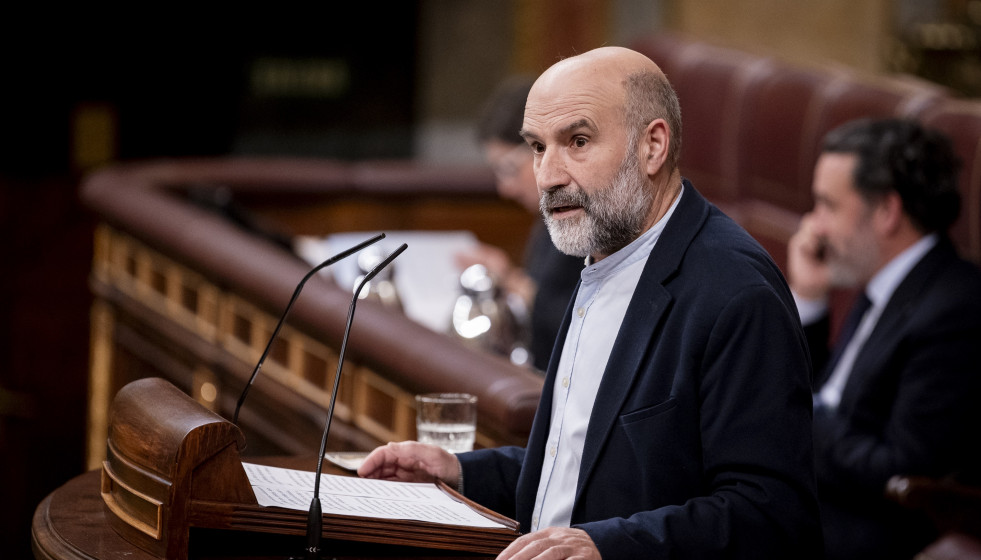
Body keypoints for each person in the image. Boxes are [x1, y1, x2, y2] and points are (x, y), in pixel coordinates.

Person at [359, 46, 822, 559]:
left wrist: (607, 547)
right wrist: (464, 472)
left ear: (652, 146)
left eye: (577, 142)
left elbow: (771, 517)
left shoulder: (736, 293)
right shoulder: (605, 253)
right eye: (538, 147)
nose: (547, 176)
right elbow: (588, 465)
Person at [787, 118, 981, 559]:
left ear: (887, 212)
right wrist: (810, 298)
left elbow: (901, 470)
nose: (814, 226)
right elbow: (833, 393)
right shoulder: (883, 278)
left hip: (856, 531)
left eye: (827, 206)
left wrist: (794, 413)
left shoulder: (955, 310)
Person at [456, 75, 583, 372]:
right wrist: (508, 277)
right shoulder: (549, 217)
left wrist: (511, 282)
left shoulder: (590, 217)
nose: (505, 189)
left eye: (510, 169)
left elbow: (579, 324)